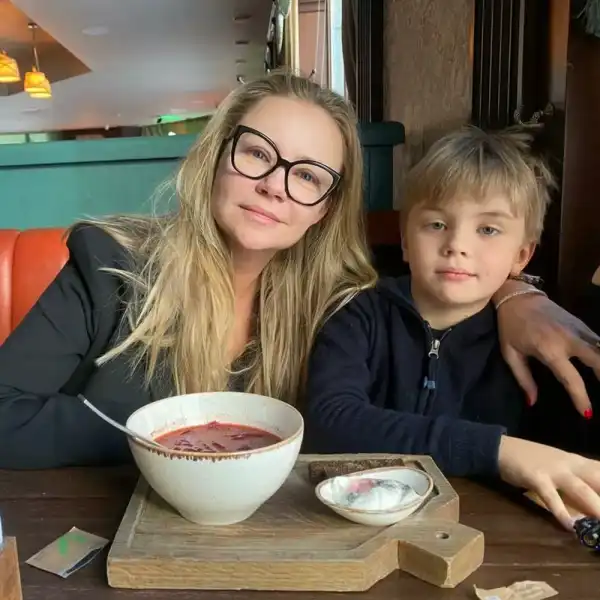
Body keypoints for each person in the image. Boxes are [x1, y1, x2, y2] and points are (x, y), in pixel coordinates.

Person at [0, 71, 598, 471]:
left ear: (326, 207)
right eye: (258, 153)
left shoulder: (344, 298)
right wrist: (163, 435)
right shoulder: (109, 265)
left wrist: (518, 296)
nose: (274, 185)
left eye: (308, 175)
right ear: (215, 158)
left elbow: (449, 275)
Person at [304, 126, 600, 530]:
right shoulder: (358, 315)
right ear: (406, 241)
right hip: (356, 528)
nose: (457, 244)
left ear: (522, 255)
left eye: (488, 229)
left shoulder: (534, 344)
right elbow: (329, 422)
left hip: (497, 535)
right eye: (437, 224)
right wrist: (494, 450)